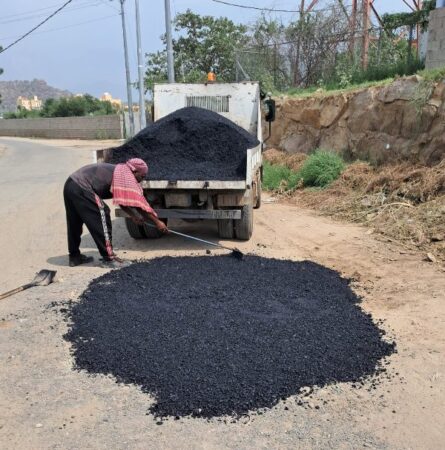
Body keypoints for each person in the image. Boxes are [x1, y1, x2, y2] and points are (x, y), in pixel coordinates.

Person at [63, 158, 168, 268]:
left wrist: (133, 215)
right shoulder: (126, 176)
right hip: (82, 186)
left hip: (71, 184)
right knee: (103, 213)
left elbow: (121, 199)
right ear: (135, 171)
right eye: (142, 176)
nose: (141, 180)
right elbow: (140, 206)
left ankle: (74, 257)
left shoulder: (121, 172)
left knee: (74, 221)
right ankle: (109, 259)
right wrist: (158, 222)